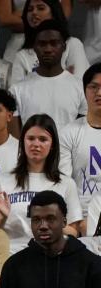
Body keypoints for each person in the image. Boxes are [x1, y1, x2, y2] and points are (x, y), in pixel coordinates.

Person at [0, 115, 81, 254]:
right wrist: (2, 217)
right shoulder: (2, 181)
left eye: (43, 139)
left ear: (52, 144)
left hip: (50, 257)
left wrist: (50, 221)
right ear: (22, 142)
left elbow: (73, 233)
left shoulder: (66, 183)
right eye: (30, 138)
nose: (36, 144)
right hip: (9, 256)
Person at [9, 21, 87, 127]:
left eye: (54, 43)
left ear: (64, 47)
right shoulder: (17, 90)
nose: (48, 49)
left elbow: (84, 133)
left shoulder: (81, 88)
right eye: (42, 44)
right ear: (34, 47)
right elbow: (15, 140)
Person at [9, 0, 88, 86]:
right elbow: (15, 92)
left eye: (41, 8)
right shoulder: (22, 54)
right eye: (30, 9)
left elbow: (80, 83)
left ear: (54, 13)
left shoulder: (72, 44)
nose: (34, 12)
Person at [59, 63, 101, 217]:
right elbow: (64, 183)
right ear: (84, 91)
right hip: (81, 216)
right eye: (93, 87)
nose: (99, 93)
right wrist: (76, 220)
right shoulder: (68, 133)